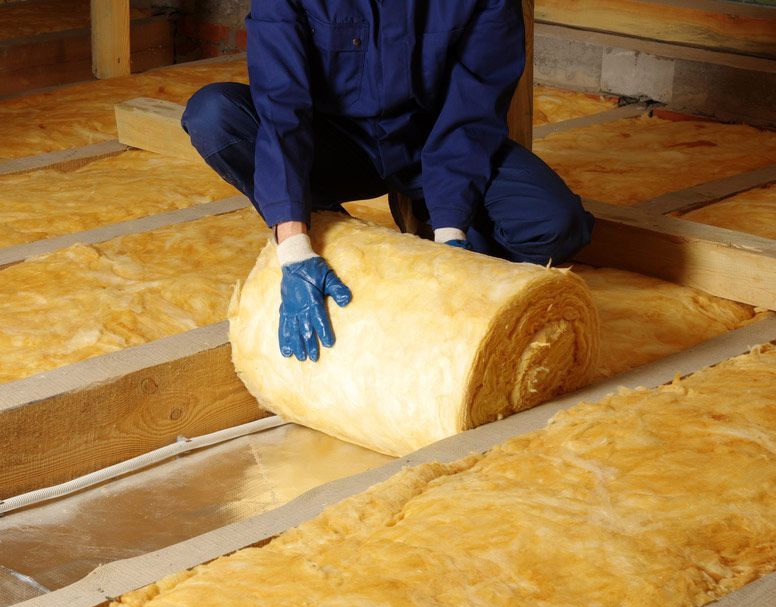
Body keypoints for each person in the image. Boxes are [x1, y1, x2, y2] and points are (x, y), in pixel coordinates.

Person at [181, 0, 595, 362]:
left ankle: (424, 208)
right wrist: (293, 247)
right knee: (214, 115)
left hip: (429, 146)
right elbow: (282, 107)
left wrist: (452, 234)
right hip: (332, 145)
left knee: (556, 224)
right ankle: (333, 231)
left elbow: (470, 115)